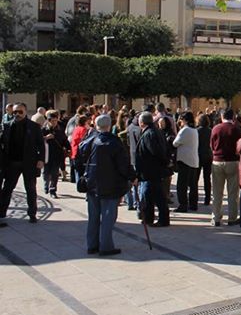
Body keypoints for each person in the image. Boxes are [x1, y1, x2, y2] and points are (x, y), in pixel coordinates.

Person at [77, 114, 135, 256]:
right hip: (110, 184)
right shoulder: (114, 142)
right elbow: (123, 164)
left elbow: (78, 159)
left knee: (93, 216)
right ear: (109, 126)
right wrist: (131, 176)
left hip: (92, 183)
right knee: (108, 217)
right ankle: (106, 246)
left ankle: (92, 245)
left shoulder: (89, 141)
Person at [0, 103, 45, 224]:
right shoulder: (7, 126)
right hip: (12, 163)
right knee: (7, 188)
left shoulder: (34, 127)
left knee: (30, 189)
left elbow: (41, 144)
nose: (17, 114)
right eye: (15, 112)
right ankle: (2, 212)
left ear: (25, 112)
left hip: (29, 163)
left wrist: (41, 159)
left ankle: (32, 214)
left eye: (20, 112)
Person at [135, 112, 170, 227]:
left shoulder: (149, 134)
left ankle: (161, 219)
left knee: (155, 196)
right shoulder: (155, 131)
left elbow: (155, 152)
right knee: (151, 196)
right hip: (152, 170)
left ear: (142, 122)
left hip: (151, 170)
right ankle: (149, 218)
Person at [210, 109, 241, 226]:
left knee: (217, 192)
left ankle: (216, 217)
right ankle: (232, 218)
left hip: (217, 161)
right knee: (233, 192)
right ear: (233, 117)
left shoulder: (216, 128)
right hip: (233, 161)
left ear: (222, 116)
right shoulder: (236, 129)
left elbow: (212, 145)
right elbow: (240, 146)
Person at [173, 112, 200, 213]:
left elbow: (175, 143)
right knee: (193, 185)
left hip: (184, 160)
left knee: (182, 185)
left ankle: (183, 205)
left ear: (185, 120)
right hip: (194, 160)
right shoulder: (194, 130)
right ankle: (193, 204)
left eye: (181, 119)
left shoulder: (185, 130)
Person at [41, 110, 69, 198]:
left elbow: (65, 140)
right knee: (46, 172)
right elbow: (37, 141)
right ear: (48, 121)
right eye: (52, 121)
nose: (54, 122)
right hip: (46, 154)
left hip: (57, 154)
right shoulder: (43, 130)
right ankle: (46, 184)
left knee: (54, 173)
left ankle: (53, 190)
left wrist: (68, 148)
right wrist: (45, 138)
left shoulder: (60, 129)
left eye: (55, 120)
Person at [196, 113, 213, 206]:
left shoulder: (196, 131)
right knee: (207, 178)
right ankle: (207, 198)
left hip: (198, 155)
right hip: (208, 155)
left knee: (195, 178)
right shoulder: (211, 131)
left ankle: (195, 198)